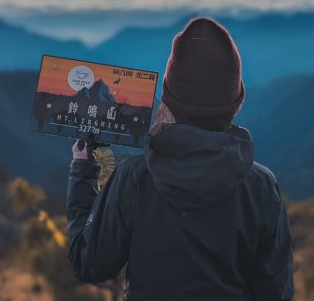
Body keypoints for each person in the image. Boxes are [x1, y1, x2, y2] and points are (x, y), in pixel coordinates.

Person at [67, 17, 294, 300]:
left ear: (168, 101)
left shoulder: (135, 177)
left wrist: (83, 171)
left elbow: (89, 263)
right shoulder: (261, 186)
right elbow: (275, 291)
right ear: (234, 104)